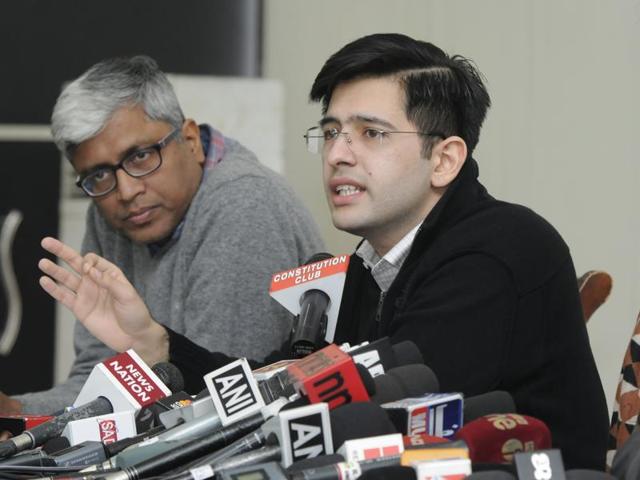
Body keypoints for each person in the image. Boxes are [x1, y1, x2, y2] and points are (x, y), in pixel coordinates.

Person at [38, 35, 609, 469]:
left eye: (371, 134)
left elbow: (383, 420)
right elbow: (288, 383)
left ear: (445, 159)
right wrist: (154, 343)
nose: (338, 154)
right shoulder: (367, 268)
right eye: (332, 131)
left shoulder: (500, 251)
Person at [0, 55, 323, 415]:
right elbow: (102, 379)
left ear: (190, 140)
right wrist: (18, 412)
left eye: (139, 156)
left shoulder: (245, 205)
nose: (125, 191)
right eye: (98, 175)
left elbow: (216, 404)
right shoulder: (111, 210)